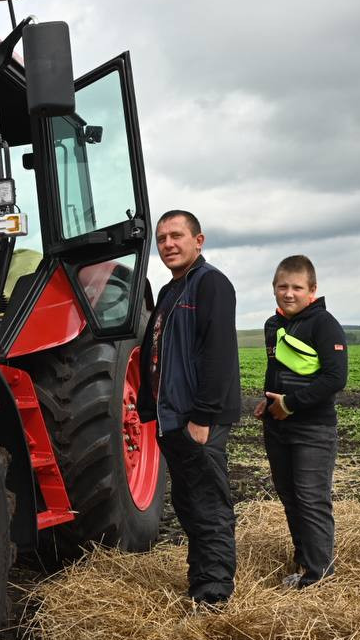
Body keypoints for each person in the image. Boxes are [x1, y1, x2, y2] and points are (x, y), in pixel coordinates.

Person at [137, 210, 242, 608]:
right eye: (162, 238)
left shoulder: (210, 284)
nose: (168, 244)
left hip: (198, 419)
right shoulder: (170, 291)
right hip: (174, 418)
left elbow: (218, 354)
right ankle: (201, 581)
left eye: (176, 236)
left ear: (198, 241)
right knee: (188, 503)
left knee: (209, 505)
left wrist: (203, 416)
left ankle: (214, 594)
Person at [253, 255, 348, 588]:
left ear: (312, 290)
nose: (289, 293)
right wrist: (268, 402)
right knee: (290, 497)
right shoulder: (272, 325)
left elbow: (335, 378)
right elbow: (278, 371)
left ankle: (318, 574)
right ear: (274, 288)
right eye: (283, 286)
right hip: (277, 427)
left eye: (296, 287)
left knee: (311, 499)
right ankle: (304, 561)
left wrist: (290, 404)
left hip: (313, 429)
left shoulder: (324, 324)